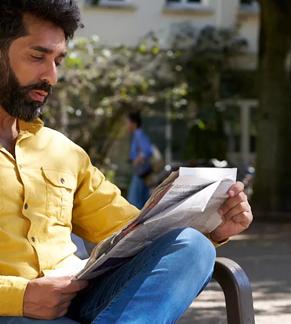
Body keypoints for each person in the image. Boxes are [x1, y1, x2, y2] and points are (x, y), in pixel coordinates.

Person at [0, 1, 253, 323]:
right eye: (37, 57)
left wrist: (213, 227)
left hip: (82, 302)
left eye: (57, 61)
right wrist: (19, 297)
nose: (51, 76)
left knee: (191, 247)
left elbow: (133, 234)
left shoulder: (62, 152)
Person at [126, 111, 153, 209]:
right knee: (143, 201)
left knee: (134, 202)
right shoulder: (137, 135)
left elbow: (147, 151)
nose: (127, 125)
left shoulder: (138, 135)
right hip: (141, 172)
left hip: (140, 173)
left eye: (128, 122)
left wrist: (137, 159)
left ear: (134, 123)